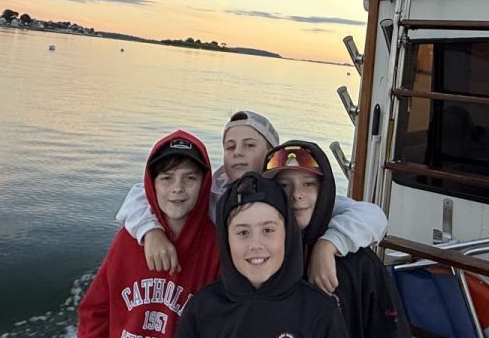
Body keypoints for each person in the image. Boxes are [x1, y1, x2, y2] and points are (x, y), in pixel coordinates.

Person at [116, 109, 387, 292]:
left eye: (249, 145)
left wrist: (328, 245)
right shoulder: (216, 193)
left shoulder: (290, 194)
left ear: (271, 153)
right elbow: (142, 193)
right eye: (230, 147)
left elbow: (373, 216)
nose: (237, 153)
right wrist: (150, 231)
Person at [165, 172, 354, 338]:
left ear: (287, 234)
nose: (255, 245)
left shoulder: (321, 312)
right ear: (225, 239)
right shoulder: (202, 308)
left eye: (268, 230)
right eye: (243, 232)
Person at [263, 140, 416, 338]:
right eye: (284, 186)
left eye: (308, 184)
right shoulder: (257, 257)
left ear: (324, 191)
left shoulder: (359, 264)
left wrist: (326, 246)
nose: (296, 195)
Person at [76, 131, 219, 338]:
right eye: (166, 178)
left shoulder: (215, 248)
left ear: (204, 184)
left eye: (190, 178)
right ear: (150, 184)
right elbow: (95, 310)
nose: (177, 188)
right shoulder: (128, 240)